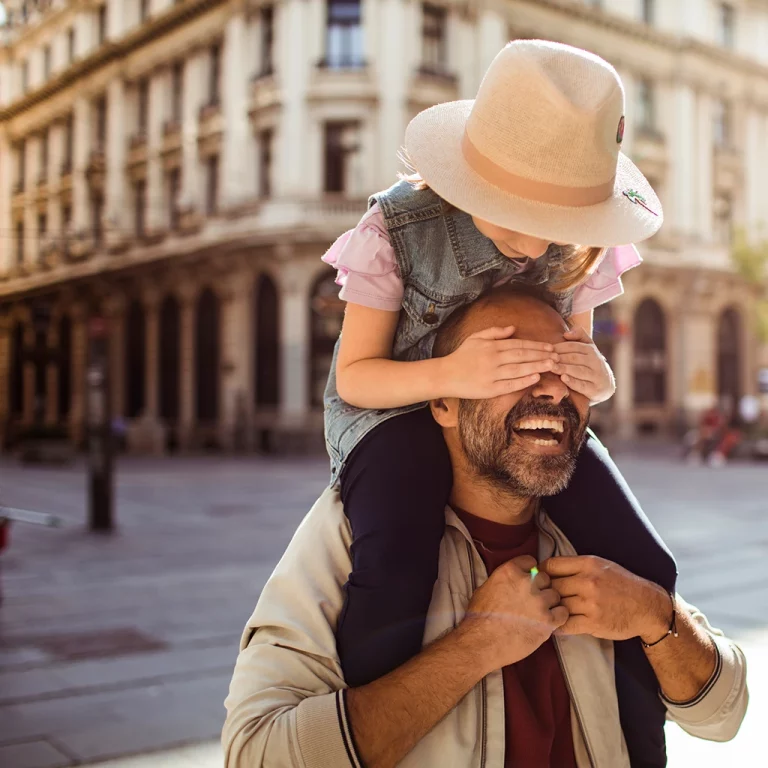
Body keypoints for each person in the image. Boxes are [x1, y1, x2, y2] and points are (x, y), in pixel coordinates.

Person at [319, 39, 676, 758]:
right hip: (393, 415)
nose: (539, 241)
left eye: (561, 217)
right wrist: (455, 374)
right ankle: (385, 725)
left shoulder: (580, 247)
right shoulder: (397, 231)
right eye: (517, 211)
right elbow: (354, 377)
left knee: (646, 564)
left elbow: (586, 373)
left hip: (515, 422)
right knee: (395, 557)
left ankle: (641, 739)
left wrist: (590, 376)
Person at [223, 285, 748, 768]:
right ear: (444, 400)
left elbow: (723, 716)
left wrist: (656, 617)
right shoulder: (356, 532)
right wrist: (476, 645)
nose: (553, 389)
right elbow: (254, 753)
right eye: (512, 365)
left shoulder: (597, 536)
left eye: (569, 366)